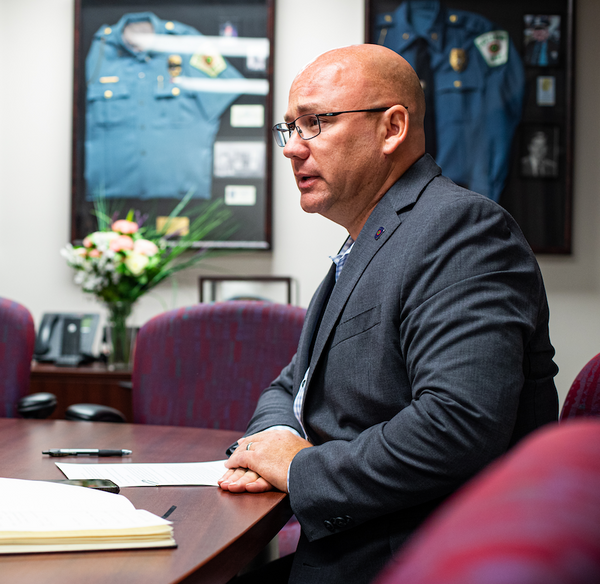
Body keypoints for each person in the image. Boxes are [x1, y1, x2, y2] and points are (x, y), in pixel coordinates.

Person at [219, 44, 559, 584]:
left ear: (392, 127)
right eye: (290, 129)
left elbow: (458, 424)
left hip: (415, 560)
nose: (292, 149)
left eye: (315, 123)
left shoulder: (461, 230)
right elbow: (290, 386)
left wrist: (296, 468)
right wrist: (265, 448)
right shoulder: (371, 238)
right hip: (352, 546)